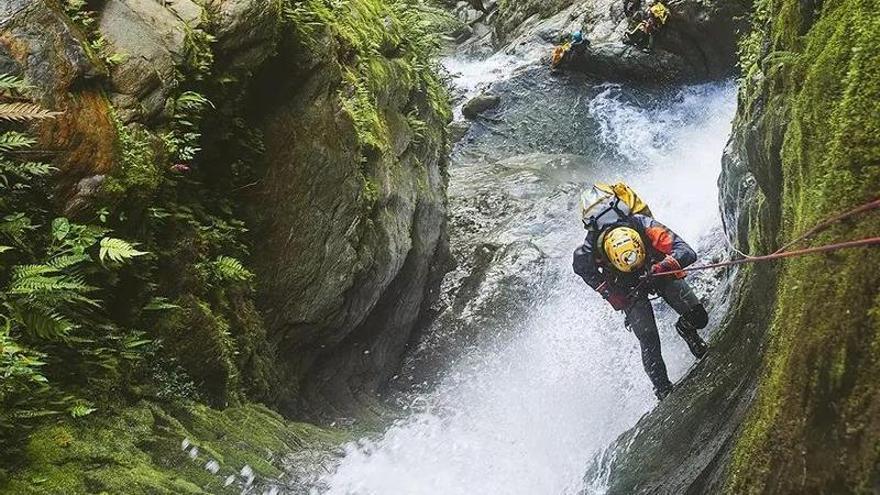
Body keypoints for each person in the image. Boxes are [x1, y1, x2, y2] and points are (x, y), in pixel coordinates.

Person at [572, 184, 709, 400]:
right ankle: (662, 390)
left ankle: (686, 329)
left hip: (656, 270)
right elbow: (582, 268)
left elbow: (686, 251)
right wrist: (610, 294)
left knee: (699, 317)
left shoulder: (643, 224)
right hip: (627, 289)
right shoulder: (589, 250)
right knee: (648, 338)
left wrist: (662, 267)